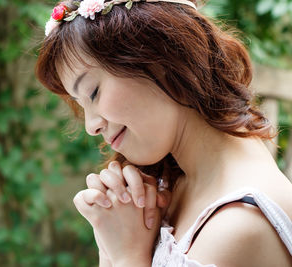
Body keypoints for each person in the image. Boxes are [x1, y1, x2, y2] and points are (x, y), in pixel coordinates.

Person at [35, 0, 292, 266]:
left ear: (160, 57)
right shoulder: (173, 185)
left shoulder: (238, 225)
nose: (91, 126)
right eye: (81, 104)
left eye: (93, 92)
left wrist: (128, 256)